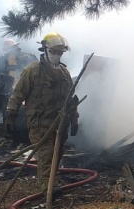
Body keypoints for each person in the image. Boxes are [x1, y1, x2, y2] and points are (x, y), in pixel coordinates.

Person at [4, 32, 79, 197]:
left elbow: (71, 99)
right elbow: (18, 94)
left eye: (60, 53)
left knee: (57, 153)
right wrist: (10, 113)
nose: (56, 55)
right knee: (46, 154)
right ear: (45, 50)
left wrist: (74, 120)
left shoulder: (65, 74)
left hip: (60, 123)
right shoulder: (32, 71)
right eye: (53, 52)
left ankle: (52, 180)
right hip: (40, 123)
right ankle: (47, 187)